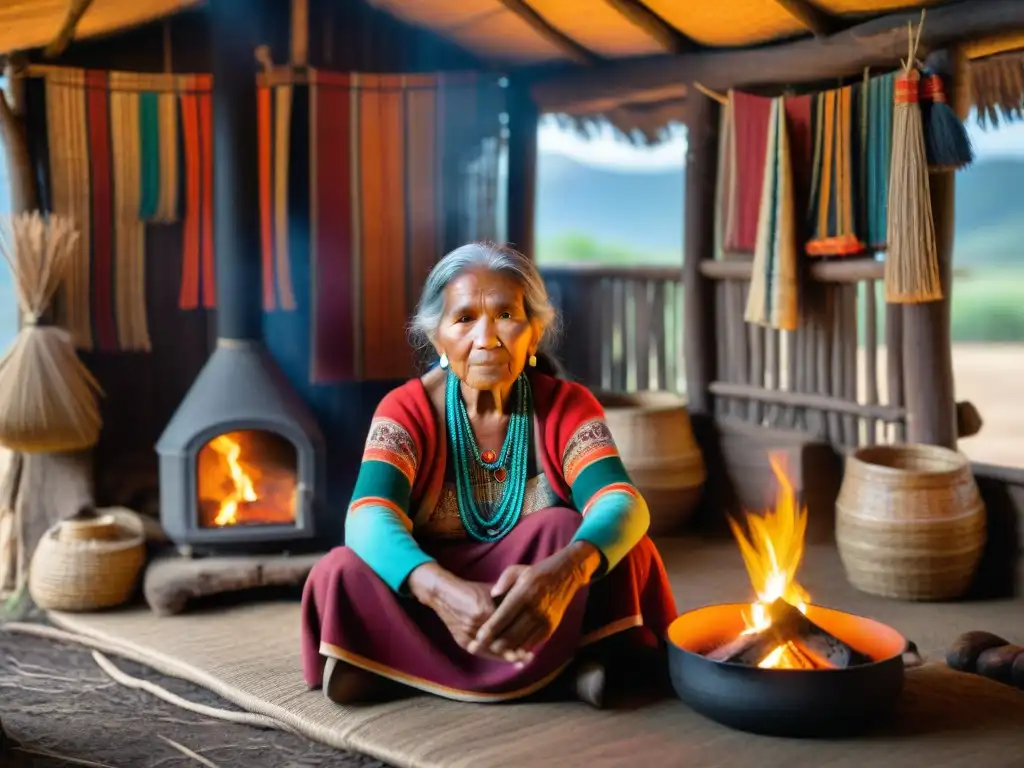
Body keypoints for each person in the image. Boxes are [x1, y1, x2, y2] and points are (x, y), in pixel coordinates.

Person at [301, 242, 679, 708]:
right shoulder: (407, 409)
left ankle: (396, 671)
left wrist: (563, 572)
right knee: (342, 569)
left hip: (536, 601)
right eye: (464, 320)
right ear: (437, 338)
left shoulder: (565, 405)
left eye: (506, 316)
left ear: (534, 334)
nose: (486, 339)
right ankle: (568, 670)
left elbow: (622, 502)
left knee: (580, 532)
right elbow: (367, 516)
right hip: (434, 599)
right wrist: (441, 591)